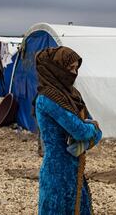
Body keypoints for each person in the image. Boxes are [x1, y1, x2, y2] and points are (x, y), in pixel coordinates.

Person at [34, 46, 102, 215]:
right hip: (56, 173)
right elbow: (82, 131)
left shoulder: (72, 96)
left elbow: (96, 132)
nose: (74, 73)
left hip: (76, 172)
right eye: (70, 68)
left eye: (76, 68)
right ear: (56, 69)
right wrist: (92, 128)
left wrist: (91, 129)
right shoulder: (47, 99)